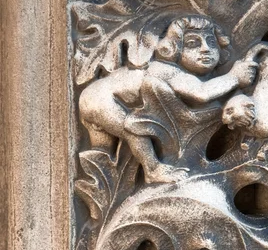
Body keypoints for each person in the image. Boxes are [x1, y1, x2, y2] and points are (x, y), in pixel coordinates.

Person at [79, 16, 257, 183]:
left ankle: (101, 184)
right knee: (134, 127)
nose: (205, 48)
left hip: (94, 99)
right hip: (101, 99)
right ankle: (153, 170)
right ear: (175, 49)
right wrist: (235, 77)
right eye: (193, 43)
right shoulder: (166, 69)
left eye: (211, 42)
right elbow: (201, 92)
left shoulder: (180, 73)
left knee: (103, 157)